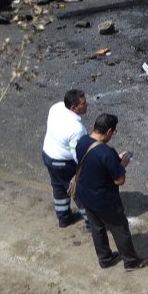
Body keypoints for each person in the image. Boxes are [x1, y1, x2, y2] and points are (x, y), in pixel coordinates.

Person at [74, 113, 148, 270]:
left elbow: (92, 163)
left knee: (97, 228)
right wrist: (122, 164)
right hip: (105, 200)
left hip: (85, 195)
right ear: (109, 131)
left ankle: (105, 258)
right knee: (120, 229)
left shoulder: (82, 142)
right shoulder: (106, 152)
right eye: (114, 132)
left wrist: (114, 161)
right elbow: (119, 180)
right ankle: (131, 261)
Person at [41, 89, 89, 228]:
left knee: (59, 188)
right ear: (73, 107)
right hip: (63, 163)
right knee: (79, 191)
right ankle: (91, 222)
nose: (86, 105)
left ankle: (63, 218)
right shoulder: (76, 129)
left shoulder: (56, 108)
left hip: (48, 155)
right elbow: (78, 155)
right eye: (83, 103)